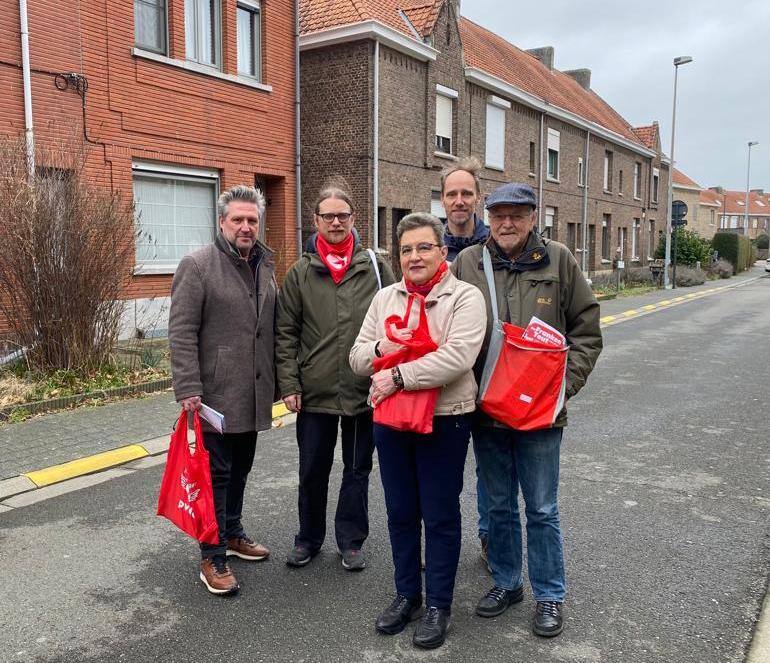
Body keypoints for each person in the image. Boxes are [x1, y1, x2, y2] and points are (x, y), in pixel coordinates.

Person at [452, 182, 602, 637]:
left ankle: (550, 595)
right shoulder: (467, 263)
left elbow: (587, 331)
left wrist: (561, 390)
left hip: (541, 414)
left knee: (540, 507)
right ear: (488, 217)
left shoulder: (559, 261)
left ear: (533, 217)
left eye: (517, 214)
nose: (507, 223)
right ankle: (506, 582)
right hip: (487, 410)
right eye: (499, 215)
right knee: (497, 505)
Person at [350, 213, 486, 649]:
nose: (414, 256)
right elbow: (356, 357)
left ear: (441, 251)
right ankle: (407, 594)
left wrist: (399, 374)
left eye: (424, 247)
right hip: (391, 421)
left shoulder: (465, 297)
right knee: (401, 512)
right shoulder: (385, 298)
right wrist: (380, 348)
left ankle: (438, 605)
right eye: (406, 249)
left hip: (445, 418)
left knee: (440, 514)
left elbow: (458, 357)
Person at [276, 185, 395, 571]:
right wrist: (289, 384)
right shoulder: (300, 272)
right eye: (328, 216)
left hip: (364, 391)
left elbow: (397, 316)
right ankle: (308, 538)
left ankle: (351, 541)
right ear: (316, 221)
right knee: (312, 469)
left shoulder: (374, 267)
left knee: (357, 469)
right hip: (316, 391)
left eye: (342, 215)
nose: (336, 222)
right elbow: (285, 333)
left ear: (353, 219)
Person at [169, 184, 276, 596]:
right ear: (222, 223)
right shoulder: (197, 266)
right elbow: (181, 332)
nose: (246, 227)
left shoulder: (264, 264)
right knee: (216, 476)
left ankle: (232, 532)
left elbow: (267, 329)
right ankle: (211, 555)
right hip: (213, 396)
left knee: (242, 469)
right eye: (238, 220)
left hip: (250, 395)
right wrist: (188, 387)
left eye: (252, 220)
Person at [439, 156, 491, 564]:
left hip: (490, 378)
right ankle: (439, 546)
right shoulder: (426, 245)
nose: (459, 201)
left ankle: (490, 540)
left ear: (478, 198)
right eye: (452, 193)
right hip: (444, 383)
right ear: (442, 200)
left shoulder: (495, 246)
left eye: (466, 193)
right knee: (441, 475)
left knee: (490, 471)